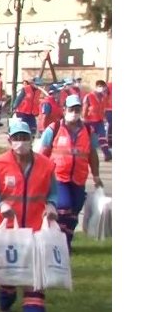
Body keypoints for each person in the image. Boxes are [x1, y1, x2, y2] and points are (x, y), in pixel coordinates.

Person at [0, 119, 60, 312]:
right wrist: (1, 204)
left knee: (34, 277)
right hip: (8, 230)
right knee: (9, 276)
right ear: (9, 141)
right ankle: (5, 302)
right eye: (16, 138)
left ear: (31, 139)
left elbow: (53, 192)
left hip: (35, 229)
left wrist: (52, 205)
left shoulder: (46, 165)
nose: (20, 142)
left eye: (24, 137)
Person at [39, 94, 104, 252]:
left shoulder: (88, 131)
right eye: (71, 109)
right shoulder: (54, 129)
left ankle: (66, 240)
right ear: (64, 110)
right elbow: (42, 154)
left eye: (77, 109)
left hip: (79, 178)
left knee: (74, 211)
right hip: (58, 177)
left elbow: (92, 155)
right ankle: (59, 242)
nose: (74, 112)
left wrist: (96, 176)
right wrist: (39, 176)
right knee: (64, 207)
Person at [83, 81, 111, 161]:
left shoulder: (103, 97)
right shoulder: (89, 96)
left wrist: (104, 118)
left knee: (102, 137)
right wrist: (84, 119)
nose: (102, 88)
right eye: (100, 86)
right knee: (87, 139)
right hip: (90, 121)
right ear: (96, 87)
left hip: (99, 120)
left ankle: (107, 154)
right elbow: (85, 108)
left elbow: (103, 108)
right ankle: (84, 155)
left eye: (103, 87)